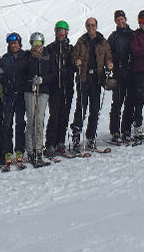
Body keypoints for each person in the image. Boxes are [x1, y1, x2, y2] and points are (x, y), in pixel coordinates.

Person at [71, 18, 113, 150]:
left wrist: (109, 64)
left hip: (96, 78)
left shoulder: (102, 41)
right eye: (88, 25)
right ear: (86, 26)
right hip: (84, 78)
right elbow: (74, 56)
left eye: (93, 25)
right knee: (81, 108)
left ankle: (91, 136)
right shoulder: (81, 41)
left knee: (95, 109)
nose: (91, 27)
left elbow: (108, 56)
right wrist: (76, 61)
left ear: (96, 26)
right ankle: (76, 136)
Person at [0, 33, 30, 168]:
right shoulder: (5, 59)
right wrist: (8, 84)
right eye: (11, 44)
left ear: (19, 43)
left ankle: (19, 150)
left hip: (22, 93)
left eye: (15, 43)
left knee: (20, 123)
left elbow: (30, 70)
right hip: (10, 93)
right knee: (7, 124)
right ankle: (7, 151)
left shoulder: (25, 56)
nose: (13, 46)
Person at [25, 32, 56, 164]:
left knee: (39, 119)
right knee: (31, 119)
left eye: (39, 43)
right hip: (30, 91)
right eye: (34, 43)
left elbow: (53, 74)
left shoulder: (47, 56)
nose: (37, 46)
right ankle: (30, 150)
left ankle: (38, 149)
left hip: (43, 91)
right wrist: (30, 80)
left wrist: (43, 79)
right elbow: (21, 71)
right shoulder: (27, 57)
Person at [44, 21, 74, 155]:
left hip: (67, 86)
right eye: (58, 31)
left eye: (63, 31)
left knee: (64, 115)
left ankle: (60, 141)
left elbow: (75, 65)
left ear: (66, 32)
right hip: (54, 87)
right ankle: (50, 143)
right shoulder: (50, 48)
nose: (60, 34)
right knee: (54, 116)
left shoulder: (71, 49)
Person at [107, 10, 134, 141]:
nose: (120, 21)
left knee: (129, 103)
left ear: (125, 19)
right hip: (118, 73)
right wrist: (113, 59)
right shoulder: (113, 37)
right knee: (117, 102)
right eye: (118, 19)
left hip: (131, 72)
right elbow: (108, 53)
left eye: (122, 18)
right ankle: (114, 131)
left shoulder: (132, 34)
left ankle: (126, 129)